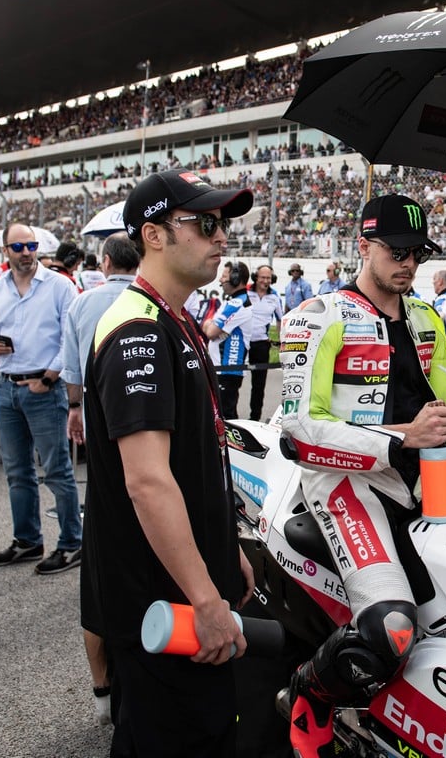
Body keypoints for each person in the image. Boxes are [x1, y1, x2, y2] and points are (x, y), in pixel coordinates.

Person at [280, 194, 446, 757]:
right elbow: (297, 432)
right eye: (396, 250)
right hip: (344, 483)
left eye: (418, 252)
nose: (408, 263)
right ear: (362, 245)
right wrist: (400, 438)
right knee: (391, 628)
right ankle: (309, 692)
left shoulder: (426, 317)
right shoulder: (317, 317)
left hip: (425, 480)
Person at [81, 169, 255, 755]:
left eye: (224, 223)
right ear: (153, 235)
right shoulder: (139, 328)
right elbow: (149, 482)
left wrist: (223, 550)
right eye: (205, 224)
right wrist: (206, 599)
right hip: (163, 599)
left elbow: (191, 463)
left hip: (182, 579)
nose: (222, 237)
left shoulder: (174, 319)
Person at [59, 232, 140, 724]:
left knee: (101, 573)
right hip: (154, 442)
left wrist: (74, 407)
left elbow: (72, 370)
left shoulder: (84, 303)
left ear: (105, 261)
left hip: (102, 439)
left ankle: (103, 691)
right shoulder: (157, 304)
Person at [0, 223, 82, 575]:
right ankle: (28, 541)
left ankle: (71, 543)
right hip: (7, 388)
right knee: (17, 471)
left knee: (57, 471)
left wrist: (49, 376)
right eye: (18, 247)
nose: (25, 252)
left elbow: (72, 339)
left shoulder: (59, 286)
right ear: (5, 251)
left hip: (43, 389)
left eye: (31, 245)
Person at [201, 261, 251, 420]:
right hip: (223, 369)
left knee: (225, 419)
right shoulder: (233, 302)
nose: (221, 281)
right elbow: (210, 327)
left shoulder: (238, 303)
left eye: (224, 276)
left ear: (236, 278)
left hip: (227, 369)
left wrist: (209, 324)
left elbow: (210, 331)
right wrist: (210, 324)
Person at [241, 264, 282, 421]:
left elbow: (280, 320)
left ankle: (254, 418)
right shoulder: (246, 293)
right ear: (255, 278)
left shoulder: (274, 297)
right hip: (243, 344)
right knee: (234, 380)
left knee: (258, 385)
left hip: (261, 344)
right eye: (263, 277)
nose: (266, 281)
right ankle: (230, 416)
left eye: (269, 278)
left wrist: (280, 341)